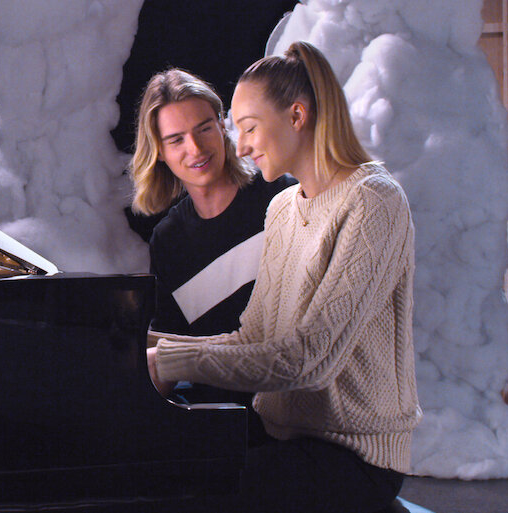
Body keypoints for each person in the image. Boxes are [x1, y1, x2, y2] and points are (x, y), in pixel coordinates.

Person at [146, 42, 421, 513]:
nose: (240, 146)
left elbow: (307, 358)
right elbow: (253, 335)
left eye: (249, 127)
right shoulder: (283, 209)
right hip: (283, 437)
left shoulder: (374, 200)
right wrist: (151, 347)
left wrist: (168, 360)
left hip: (354, 456)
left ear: (297, 116)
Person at [129, 69, 294, 431]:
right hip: (220, 425)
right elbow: (173, 353)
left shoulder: (283, 197)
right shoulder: (168, 241)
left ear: (222, 125)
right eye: (176, 139)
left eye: (204, 128)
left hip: (294, 417)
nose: (196, 149)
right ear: (159, 151)